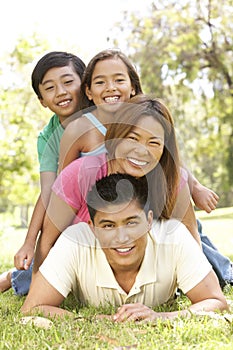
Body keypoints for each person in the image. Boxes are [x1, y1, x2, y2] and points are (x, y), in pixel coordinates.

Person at [21, 173, 228, 320]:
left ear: (148, 220)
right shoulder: (75, 241)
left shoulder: (173, 236)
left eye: (131, 222)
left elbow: (216, 302)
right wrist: (93, 321)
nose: (122, 237)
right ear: (92, 228)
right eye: (108, 225)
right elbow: (33, 308)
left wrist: (162, 317)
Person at [32, 95, 200, 273]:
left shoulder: (172, 180)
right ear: (117, 135)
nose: (141, 151)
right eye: (133, 138)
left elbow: (191, 239)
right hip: (83, 273)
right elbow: (47, 242)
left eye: (154, 143)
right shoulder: (81, 174)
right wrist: (37, 287)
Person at [0, 51, 86, 294]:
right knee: (41, 271)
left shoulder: (102, 115)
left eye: (68, 82)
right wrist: (29, 242)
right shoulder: (48, 137)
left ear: (84, 83)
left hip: (114, 204)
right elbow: (49, 190)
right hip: (73, 216)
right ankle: (15, 277)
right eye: (50, 88)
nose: (60, 92)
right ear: (41, 100)